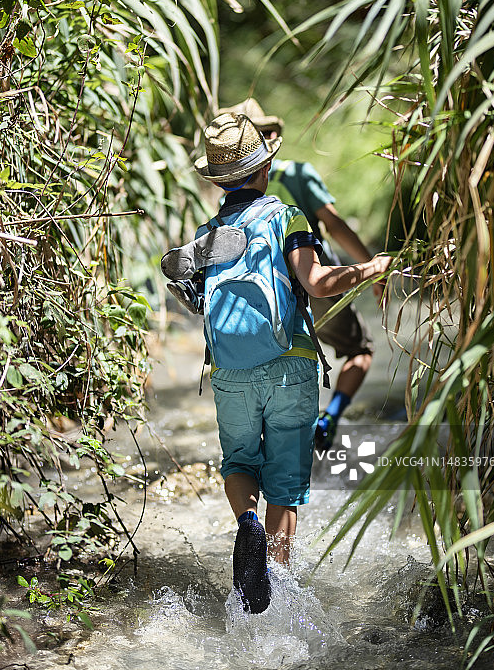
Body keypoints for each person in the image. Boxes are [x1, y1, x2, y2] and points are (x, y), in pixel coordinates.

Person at [191, 111, 391, 614]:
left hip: (229, 370)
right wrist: (369, 268)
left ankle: (247, 525)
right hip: (290, 365)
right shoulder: (286, 217)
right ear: (264, 169)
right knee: (284, 483)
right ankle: (277, 591)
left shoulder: (208, 233)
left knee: (239, 463)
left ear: (218, 180)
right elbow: (317, 283)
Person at [216, 99, 385, 451]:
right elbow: (335, 226)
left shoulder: (229, 195)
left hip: (262, 301)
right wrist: (371, 268)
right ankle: (330, 417)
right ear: (269, 142)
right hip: (312, 280)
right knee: (360, 348)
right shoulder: (297, 174)